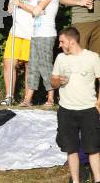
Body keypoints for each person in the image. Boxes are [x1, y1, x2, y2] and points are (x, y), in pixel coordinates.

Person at [51, 27, 100, 183]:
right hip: (66, 110)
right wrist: (58, 81)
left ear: (72, 41)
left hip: (88, 110)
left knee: (93, 148)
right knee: (70, 148)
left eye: (62, 41)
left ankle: (97, 179)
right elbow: (52, 81)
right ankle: (76, 179)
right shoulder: (60, 58)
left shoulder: (92, 57)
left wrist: (99, 101)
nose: (59, 45)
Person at [14, 0, 60, 107]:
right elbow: (34, 8)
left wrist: (20, 4)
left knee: (45, 65)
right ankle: (28, 99)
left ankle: (51, 98)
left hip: (46, 34)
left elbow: (36, 11)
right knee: (33, 65)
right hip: (36, 33)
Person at [0, 0, 41, 106]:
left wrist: (22, 2)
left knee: (30, 67)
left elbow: (38, 11)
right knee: (9, 63)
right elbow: (10, 10)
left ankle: (27, 99)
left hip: (31, 34)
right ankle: (9, 96)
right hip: (16, 33)